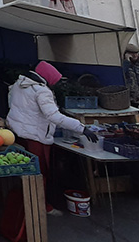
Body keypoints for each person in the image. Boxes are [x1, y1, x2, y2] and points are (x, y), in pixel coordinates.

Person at [6, 61, 97, 216]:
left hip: (18, 135)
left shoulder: (17, 85)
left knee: (24, 174)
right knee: (39, 175)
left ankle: (26, 206)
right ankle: (41, 207)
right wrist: (81, 128)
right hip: (36, 138)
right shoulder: (42, 91)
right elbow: (53, 116)